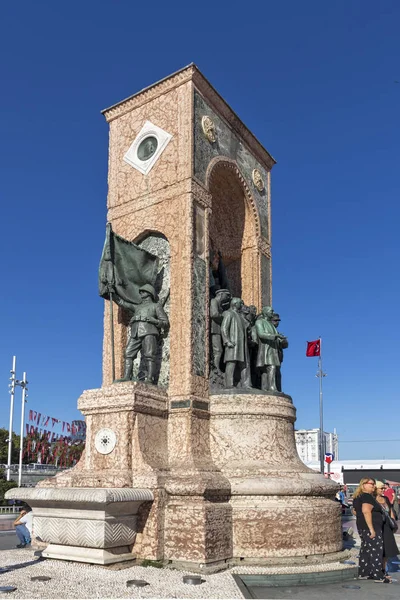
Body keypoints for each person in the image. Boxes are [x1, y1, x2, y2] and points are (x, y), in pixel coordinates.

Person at [115, 284, 169, 383]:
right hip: (135, 333)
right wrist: (113, 293)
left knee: (149, 355)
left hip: (149, 331)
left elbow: (165, 323)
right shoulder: (137, 307)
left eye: (143, 291)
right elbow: (122, 303)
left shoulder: (155, 306)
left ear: (149, 293)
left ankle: (150, 379)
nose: (140, 293)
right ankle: (127, 376)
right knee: (128, 353)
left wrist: (154, 321)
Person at [353, 477, 390, 583]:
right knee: (376, 550)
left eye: (374, 484)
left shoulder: (358, 497)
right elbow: (366, 511)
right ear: (363, 484)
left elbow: (355, 511)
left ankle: (364, 573)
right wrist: (371, 529)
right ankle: (378, 575)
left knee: (365, 550)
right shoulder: (366, 496)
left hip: (362, 527)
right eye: (371, 484)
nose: (373, 486)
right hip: (371, 527)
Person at [255, 306, 286, 392]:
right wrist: (275, 336)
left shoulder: (271, 325)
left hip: (272, 349)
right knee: (271, 367)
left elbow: (277, 338)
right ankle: (272, 387)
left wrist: (282, 340)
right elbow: (261, 334)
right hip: (265, 349)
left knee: (267, 370)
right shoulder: (259, 322)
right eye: (271, 311)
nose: (272, 313)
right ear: (265, 312)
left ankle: (264, 388)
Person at [221, 297, 250, 389]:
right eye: (240, 304)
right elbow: (224, 328)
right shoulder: (229, 313)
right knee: (231, 363)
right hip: (233, 343)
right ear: (235, 304)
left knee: (244, 364)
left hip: (242, 344)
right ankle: (229, 384)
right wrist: (227, 341)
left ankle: (246, 384)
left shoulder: (240, 316)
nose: (242, 305)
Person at [375, 481, 399, 577]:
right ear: (375, 489)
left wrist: (393, 523)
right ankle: (377, 569)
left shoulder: (385, 499)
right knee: (378, 549)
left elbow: (391, 512)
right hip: (378, 527)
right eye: (381, 488)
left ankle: (384, 569)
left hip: (387, 527)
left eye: (384, 488)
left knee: (387, 550)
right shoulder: (372, 500)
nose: (384, 490)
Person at [210, 289, 231, 371]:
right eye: (227, 295)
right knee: (218, 350)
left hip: (218, 329)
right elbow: (214, 314)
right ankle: (216, 368)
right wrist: (224, 318)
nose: (227, 298)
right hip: (215, 329)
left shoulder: (219, 304)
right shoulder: (214, 301)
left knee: (219, 350)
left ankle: (217, 367)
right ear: (221, 294)